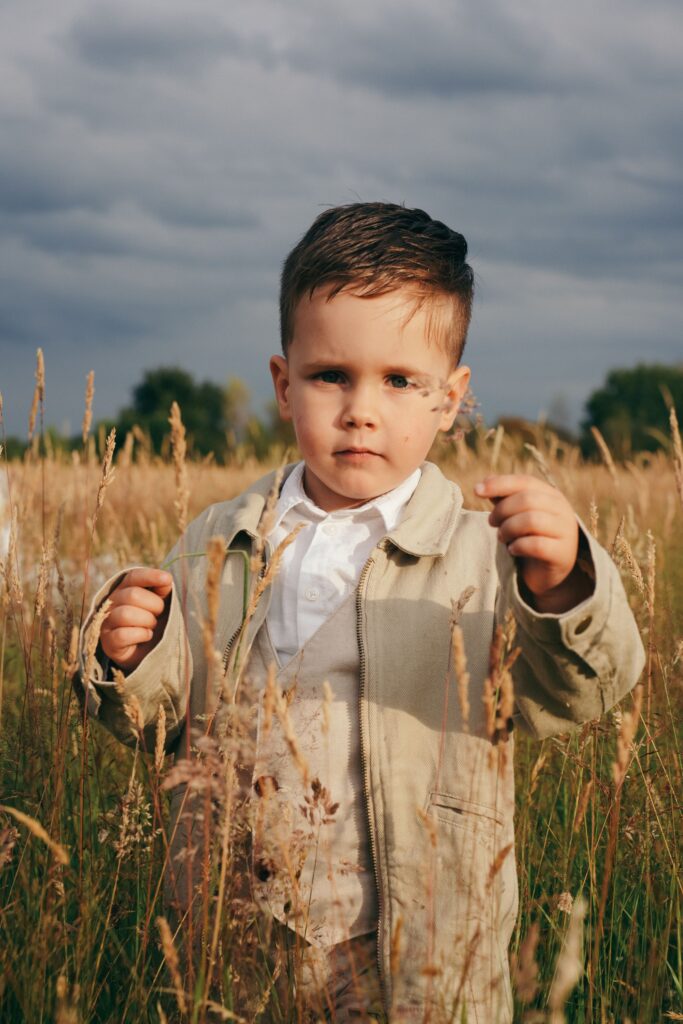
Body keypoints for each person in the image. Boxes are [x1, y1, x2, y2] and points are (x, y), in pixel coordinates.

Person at [78, 203, 644, 1023]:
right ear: (283, 385)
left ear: (450, 399)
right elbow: (169, 719)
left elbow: (582, 694)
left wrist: (562, 588)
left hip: (415, 941)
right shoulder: (224, 540)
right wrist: (132, 658)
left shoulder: (483, 553)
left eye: (400, 381)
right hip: (239, 935)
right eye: (331, 376)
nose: (361, 409)